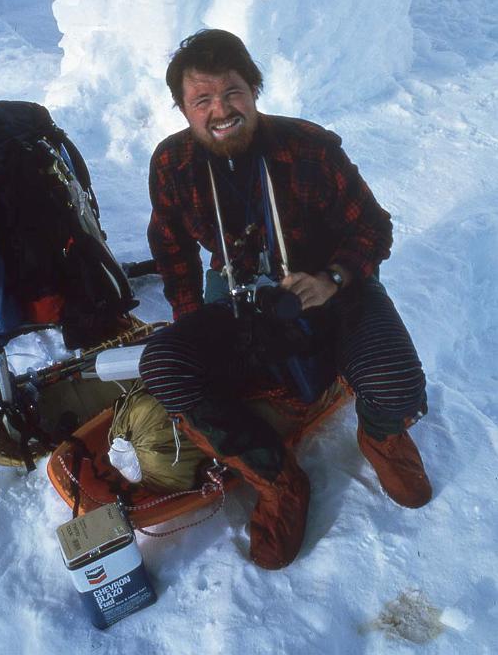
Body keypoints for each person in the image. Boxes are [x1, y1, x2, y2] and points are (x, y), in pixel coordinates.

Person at [140, 29, 431, 570]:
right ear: (182, 108)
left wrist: (333, 278)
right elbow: (172, 248)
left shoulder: (310, 148)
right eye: (202, 100)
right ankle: (277, 479)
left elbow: (373, 228)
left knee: (397, 383)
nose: (220, 110)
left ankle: (382, 436)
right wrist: (193, 323)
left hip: (332, 290)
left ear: (254, 90)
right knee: (164, 363)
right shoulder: (173, 164)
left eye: (232, 92)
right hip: (238, 295)